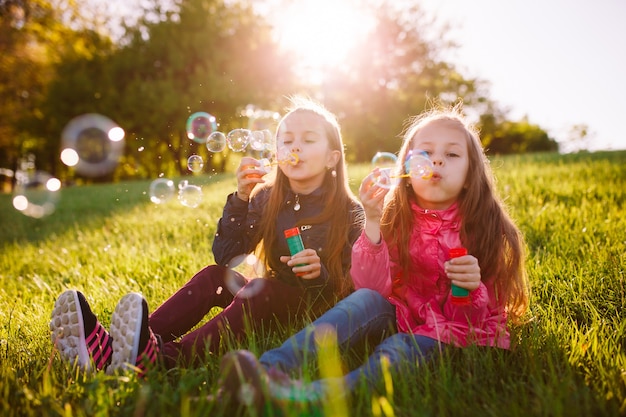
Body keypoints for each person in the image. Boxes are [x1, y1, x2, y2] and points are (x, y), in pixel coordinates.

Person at [216, 104, 530, 411]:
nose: (436, 161)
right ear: (407, 167)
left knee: (398, 349)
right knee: (363, 301)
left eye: (451, 154)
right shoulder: (396, 215)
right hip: (402, 313)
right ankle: (265, 371)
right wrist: (372, 222)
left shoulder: (485, 226)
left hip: (452, 332)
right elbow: (370, 287)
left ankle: (308, 397)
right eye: (425, 153)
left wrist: (470, 288)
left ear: (470, 171)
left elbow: (472, 323)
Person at [49, 96, 364, 375]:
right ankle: (125, 346)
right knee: (215, 276)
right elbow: (228, 255)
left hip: (314, 315)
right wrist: (241, 198)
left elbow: (358, 289)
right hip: (268, 302)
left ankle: (166, 358)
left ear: (332, 158)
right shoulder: (267, 198)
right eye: (286, 140)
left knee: (263, 289)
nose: (295, 147)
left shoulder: (350, 211)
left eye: (308, 140)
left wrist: (321, 274)